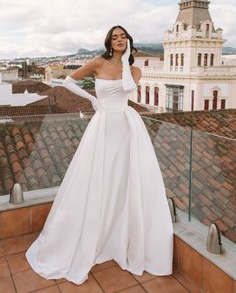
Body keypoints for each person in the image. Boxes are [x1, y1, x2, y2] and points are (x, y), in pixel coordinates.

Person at [26, 25, 173, 285]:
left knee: (124, 181)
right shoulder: (97, 62)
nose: (119, 40)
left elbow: (128, 88)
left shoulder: (135, 70)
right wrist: (92, 99)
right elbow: (69, 82)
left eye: (123, 36)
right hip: (104, 125)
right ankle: (90, 236)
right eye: (114, 37)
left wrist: (126, 60)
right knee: (98, 179)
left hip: (127, 127)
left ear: (128, 40)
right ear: (108, 42)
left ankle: (119, 239)